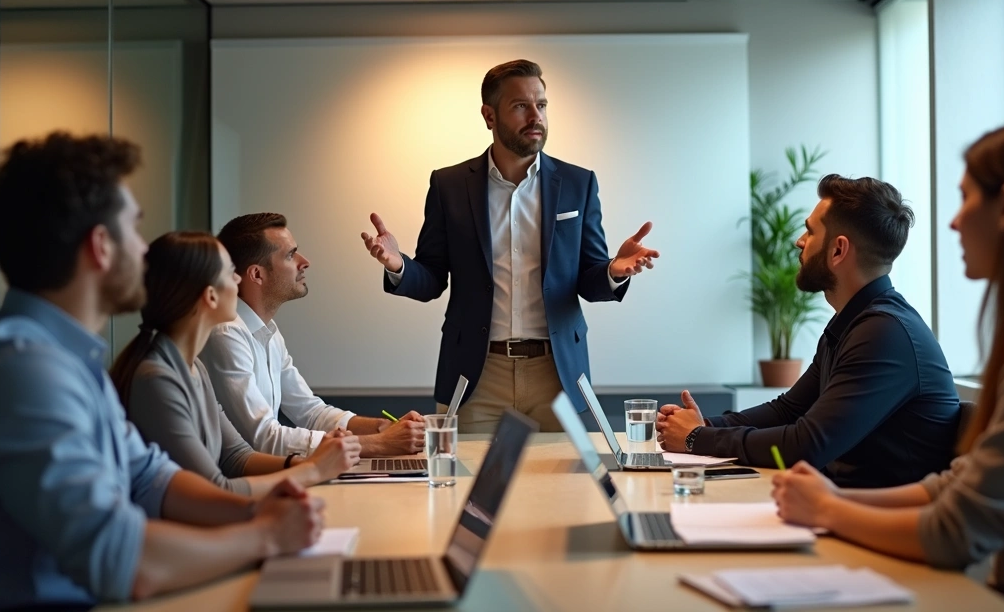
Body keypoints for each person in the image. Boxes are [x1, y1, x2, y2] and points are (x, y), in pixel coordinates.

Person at [0, 133, 326, 611]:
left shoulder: (63, 358)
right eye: (134, 230)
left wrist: (261, 509)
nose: (145, 250)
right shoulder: (20, 373)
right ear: (100, 247)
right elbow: (123, 561)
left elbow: (152, 478)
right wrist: (265, 536)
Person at [773, 117, 1004, 612]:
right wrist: (831, 500)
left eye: (965, 198)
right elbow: (956, 486)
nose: (954, 221)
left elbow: (955, 532)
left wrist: (830, 509)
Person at [359, 59, 660, 432]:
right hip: (476, 375)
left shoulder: (578, 183)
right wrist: (398, 266)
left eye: (542, 105)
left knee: (562, 488)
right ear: (489, 115)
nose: (535, 116)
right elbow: (432, 278)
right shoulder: (450, 185)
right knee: (466, 487)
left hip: (558, 374)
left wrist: (613, 271)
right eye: (520, 106)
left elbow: (588, 279)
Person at [657, 175, 960, 488]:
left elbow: (808, 444)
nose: (799, 241)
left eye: (810, 231)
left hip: (876, 525)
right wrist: (703, 424)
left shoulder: (885, 334)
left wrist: (697, 438)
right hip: (842, 507)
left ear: (838, 250)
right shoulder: (853, 324)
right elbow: (789, 409)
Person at [113, 231, 362, 496]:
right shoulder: (156, 379)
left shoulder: (196, 369)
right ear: (210, 296)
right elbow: (213, 490)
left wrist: (310, 462)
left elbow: (236, 457)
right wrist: (313, 470)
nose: (237, 279)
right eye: (231, 273)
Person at [200, 213, 426, 457]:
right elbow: (264, 437)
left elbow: (311, 411)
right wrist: (378, 444)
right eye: (290, 255)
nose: (304, 261)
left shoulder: (269, 333)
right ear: (256, 274)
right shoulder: (227, 333)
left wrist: (384, 428)